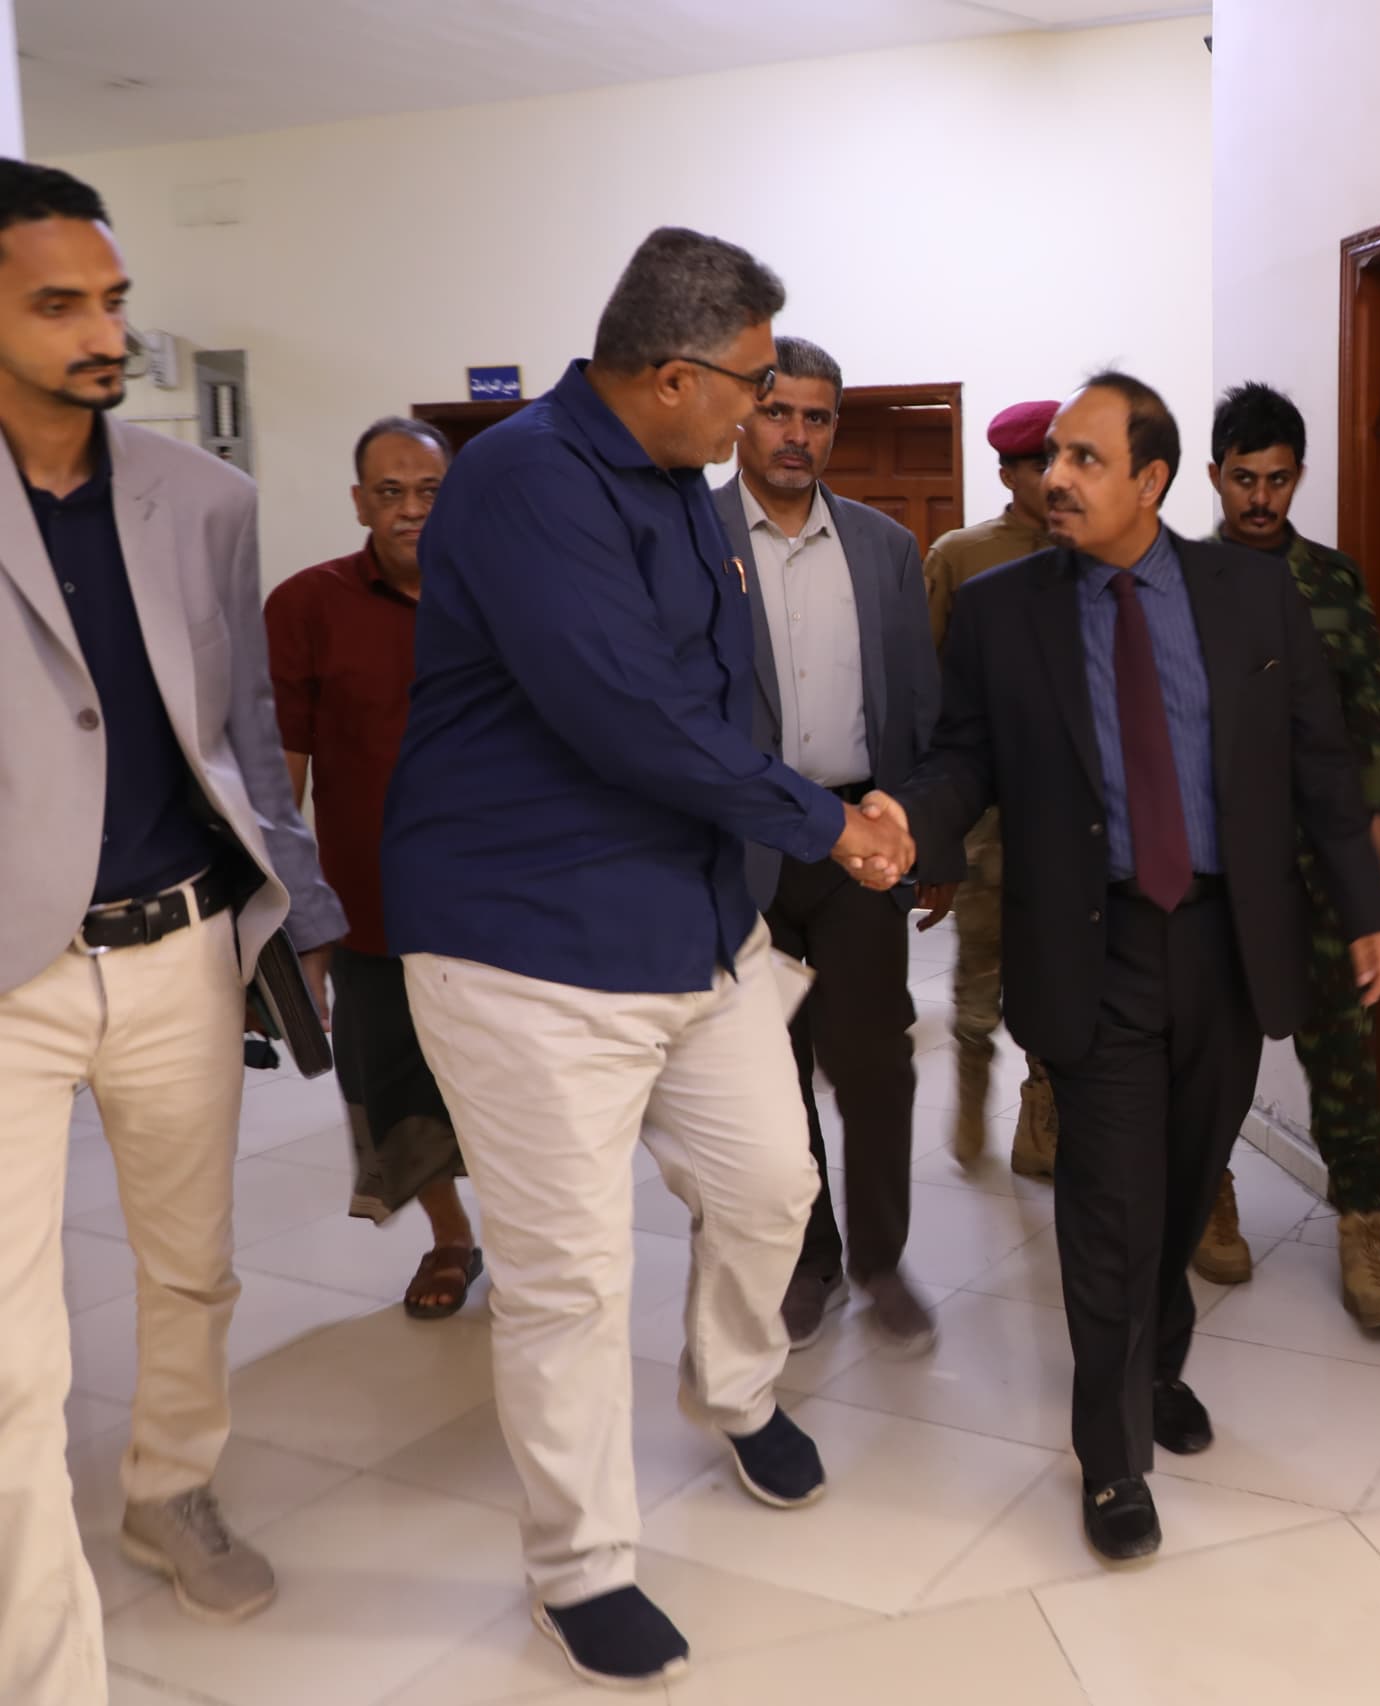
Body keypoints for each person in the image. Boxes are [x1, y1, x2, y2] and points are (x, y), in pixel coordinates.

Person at [381, 228, 905, 1689]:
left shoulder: (683, 480)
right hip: (529, 947)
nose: (764, 411)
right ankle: (580, 1567)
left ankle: (731, 1389)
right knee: (569, 1276)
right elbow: (626, 713)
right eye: (751, 385)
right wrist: (826, 824)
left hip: (695, 923)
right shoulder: (527, 479)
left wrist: (817, 815)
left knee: (772, 1185)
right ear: (673, 375)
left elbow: (720, 702)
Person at [872, 372, 1380, 1560]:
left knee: (1181, 1179)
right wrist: (911, 821)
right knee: (1109, 1204)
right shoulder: (1004, 610)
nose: (1055, 477)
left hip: (1226, 939)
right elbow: (964, 757)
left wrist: (1368, 905)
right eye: (1053, 455)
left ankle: (1157, 1363)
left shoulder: (1251, 595)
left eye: (1085, 459)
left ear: (1152, 480)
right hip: (1091, 940)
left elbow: (1320, 763)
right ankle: (1112, 1455)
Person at [0, 159, 343, 1702]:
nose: (103, 333)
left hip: (180, 949)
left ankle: (169, 1487)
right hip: (10, 974)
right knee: (12, 1343)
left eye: (114, 300)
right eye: (58, 304)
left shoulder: (204, 500)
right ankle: (43, 1659)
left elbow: (248, 731)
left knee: (192, 1268)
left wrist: (304, 909)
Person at [711, 333, 953, 1355]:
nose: (796, 434)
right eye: (778, 411)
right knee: (769, 1073)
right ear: (744, 416)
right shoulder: (687, 535)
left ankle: (881, 1260)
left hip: (859, 843)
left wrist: (931, 846)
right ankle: (809, 1258)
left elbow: (920, 710)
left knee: (876, 1065)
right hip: (740, 848)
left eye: (816, 417)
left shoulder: (886, 548)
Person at [1193, 382, 1380, 1328]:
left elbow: (1372, 707)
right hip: (1222, 856)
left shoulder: (1333, 581)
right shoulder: (1184, 581)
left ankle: (1363, 1228)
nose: (1260, 499)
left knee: (1343, 1043)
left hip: (1323, 853)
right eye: (1244, 479)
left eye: (1278, 480)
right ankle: (1210, 1196)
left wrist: (1378, 822)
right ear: (1215, 475)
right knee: (1212, 1040)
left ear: (1300, 478)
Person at [266, 416, 482, 1318]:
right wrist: (291, 920)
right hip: (372, 909)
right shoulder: (305, 607)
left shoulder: (507, 598)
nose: (411, 511)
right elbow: (281, 778)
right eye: (390, 493)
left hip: (503, 908)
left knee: (516, 1089)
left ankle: (543, 1242)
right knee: (395, 1088)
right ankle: (451, 1237)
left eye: (429, 491)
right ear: (360, 503)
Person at [920, 398, 1063, 1177]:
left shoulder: (1096, 550)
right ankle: (973, 1078)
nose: (1056, 476)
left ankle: (1041, 1113)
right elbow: (927, 685)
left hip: (1069, 810)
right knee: (981, 963)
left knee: (1059, 968)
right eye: (1040, 463)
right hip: (987, 809)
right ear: (1008, 474)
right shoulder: (962, 555)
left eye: (1066, 458)